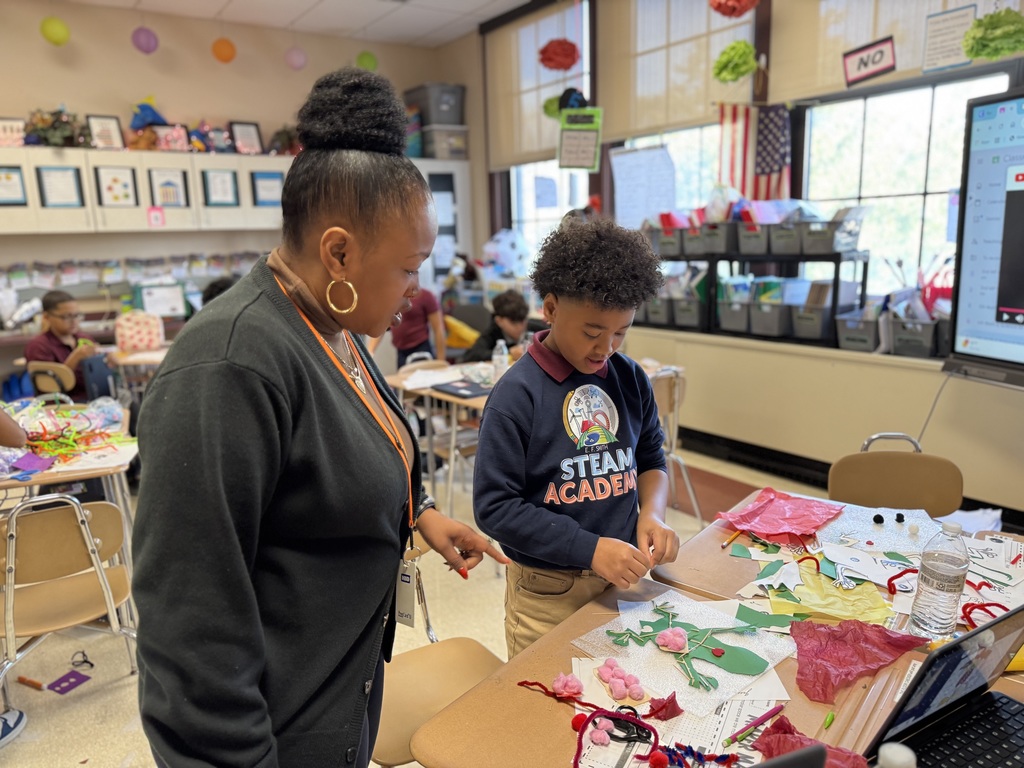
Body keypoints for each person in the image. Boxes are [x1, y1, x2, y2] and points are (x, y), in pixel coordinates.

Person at [132, 68, 506, 768]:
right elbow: (189, 630)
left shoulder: (332, 326)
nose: (416, 292)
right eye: (409, 268)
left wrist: (417, 510)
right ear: (339, 251)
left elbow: (340, 453)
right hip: (279, 728)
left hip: (343, 686)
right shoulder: (231, 365)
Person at [473, 217, 680, 658]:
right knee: (548, 703)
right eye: (592, 332)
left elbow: (651, 459)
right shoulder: (516, 395)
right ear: (549, 308)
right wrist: (587, 548)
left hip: (621, 575)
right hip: (548, 593)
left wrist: (654, 514)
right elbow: (494, 508)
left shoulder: (628, 378)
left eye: (620, 332)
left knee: (616, 701)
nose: (605, 347)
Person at [23, 290, 102, 402]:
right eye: (66, 317)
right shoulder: (39, 346)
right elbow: (51, 387)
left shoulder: (84, 339)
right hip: (62, 404)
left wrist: (107, 361)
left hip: (92, 398)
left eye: (77, 315)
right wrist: (75, 357)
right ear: (46, 317)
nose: (74, 321)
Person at [366, 287, 446, 366]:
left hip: (420, 349)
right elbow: (383, 324)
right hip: (401, 351)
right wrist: (370, 352)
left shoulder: (425, 296)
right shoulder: (391, 297)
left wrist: (441, 361)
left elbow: (438, 328)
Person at [461, 289, 529, 363]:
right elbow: (471, 355)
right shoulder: (492, 333)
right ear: (499, 321)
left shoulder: (534, 328)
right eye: (513, 323)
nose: (520, 327)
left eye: (522, 321)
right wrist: (509, 353)